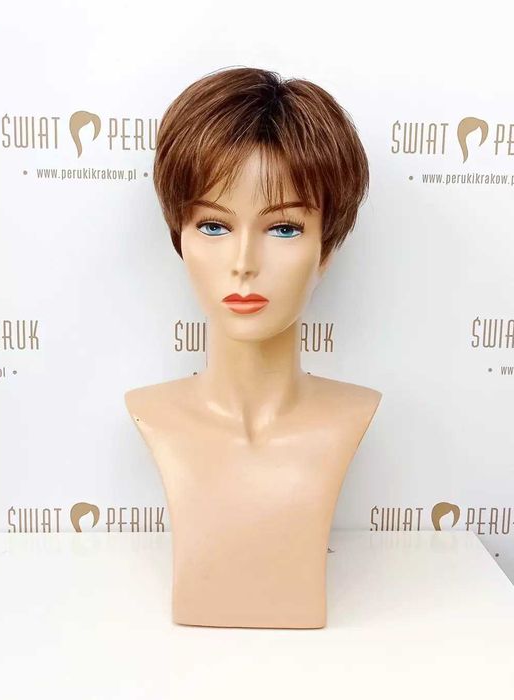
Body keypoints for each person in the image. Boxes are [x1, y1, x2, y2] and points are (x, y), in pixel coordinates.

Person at [125, 66, 382, 629]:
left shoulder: (353, 414)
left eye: (283, 228)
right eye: (214, 226)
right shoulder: (151, 413)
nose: (243, 263)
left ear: (327, 248)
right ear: (179, 238)